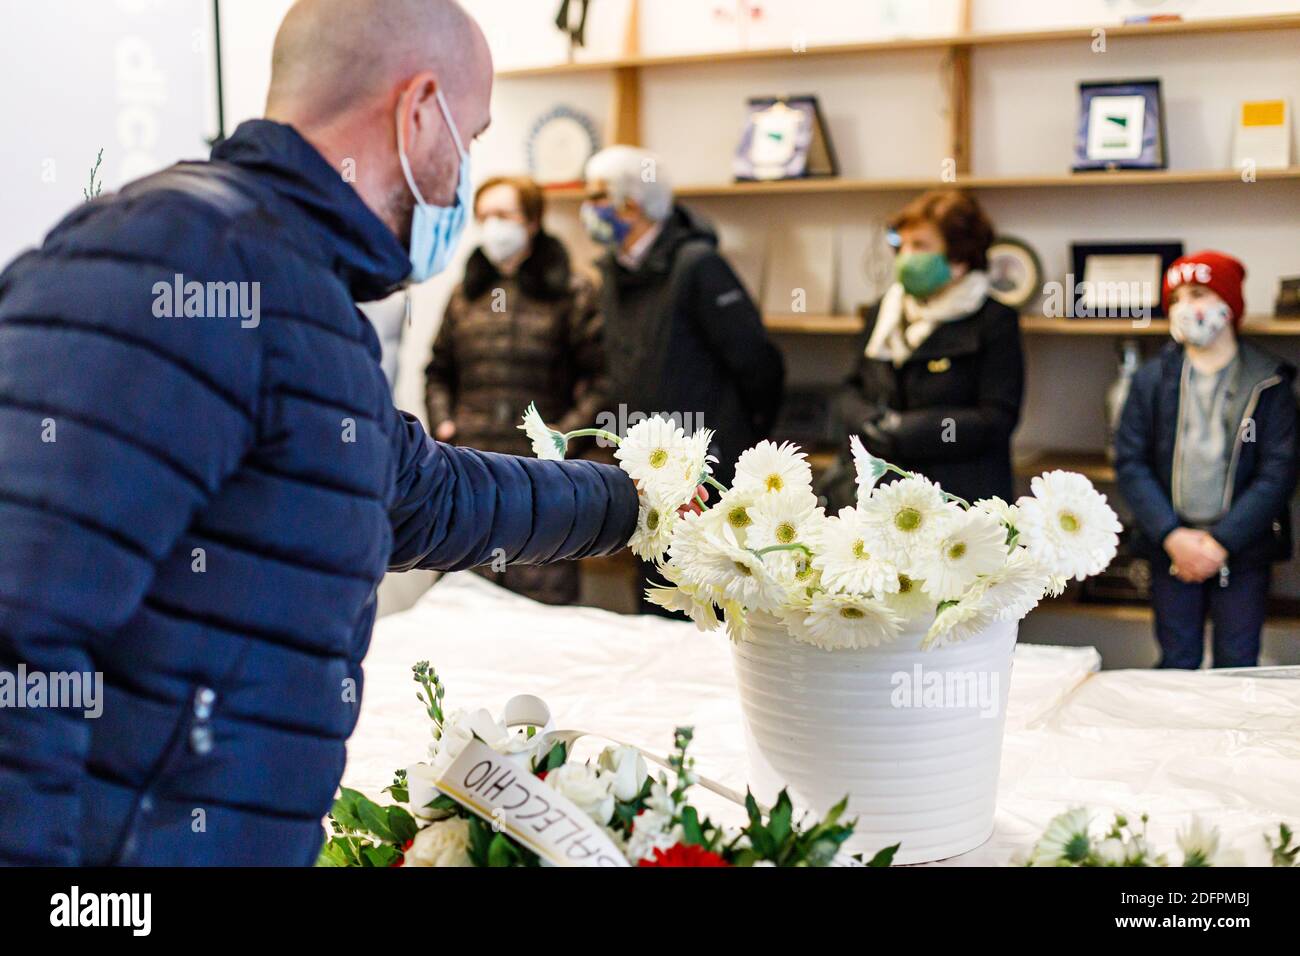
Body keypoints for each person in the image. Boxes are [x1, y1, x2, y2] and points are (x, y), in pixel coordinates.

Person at [0, 0, 640, 866]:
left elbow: (423, 496)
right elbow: (20, 620)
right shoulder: (186, 255)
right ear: (420, 114)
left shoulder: (299, 293)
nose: (466, 175)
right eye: (471, 133)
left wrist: (633, 502)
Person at [425, 175, 607, 604]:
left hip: (543, 482)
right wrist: (444, 423)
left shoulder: (573, 292)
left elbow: (603, 382)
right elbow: (438, 370)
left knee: (540, 616)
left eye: (503, 215)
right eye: (483, 216)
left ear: (532, 221)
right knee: (462, 609)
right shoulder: (464, 294)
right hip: (468, 476)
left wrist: (559, 438)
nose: (493, 227)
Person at [1116, 250, 1298, 669]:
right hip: (1171, 550)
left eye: (1197, 293)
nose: (1185, 307)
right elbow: (1131, 462)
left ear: (1227, 304)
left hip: (1243, 550)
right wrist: (1173, 536)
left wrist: (1220, 544)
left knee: (1237, 660)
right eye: (1175, 299)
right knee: (1176, 657)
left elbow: (1278, 473)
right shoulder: (1150, 380)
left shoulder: (1269, 381)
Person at [581, 146, 784, 486]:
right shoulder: (615, 272)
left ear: (631, 206)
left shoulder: (697, 265)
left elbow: (758, 363)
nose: (586, 207)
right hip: (644, 462)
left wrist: (738, 437)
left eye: (597, 196)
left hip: (705, 466)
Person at [829, 190, 1023, 508]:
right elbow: (849, 390)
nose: (905, 256)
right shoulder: (884, 311)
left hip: (960, 499)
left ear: (959, 257)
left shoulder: (994, 320)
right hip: (881, 494)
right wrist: (869, 423)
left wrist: (904, 432)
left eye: (919, 246)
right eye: (901, 245)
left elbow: (997, 419)